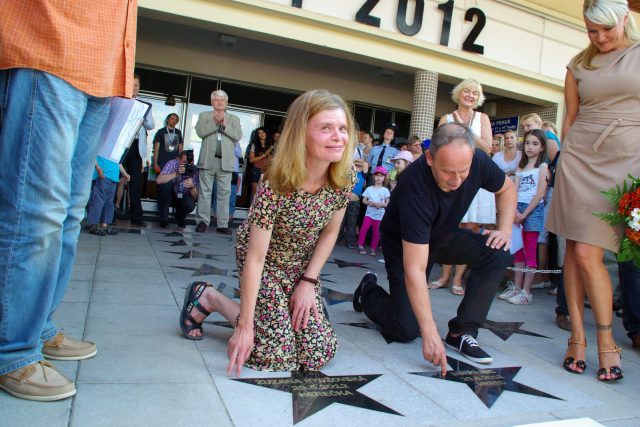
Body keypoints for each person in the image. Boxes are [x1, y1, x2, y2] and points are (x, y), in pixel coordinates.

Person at [0, 0, 137, 401]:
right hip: (52, 42)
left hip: (103, 64)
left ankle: (36, 327)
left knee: (70, 212)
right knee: (36, 210)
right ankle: (12, 348)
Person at [178, 89, 355, 375]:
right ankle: (209, 297)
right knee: (271, 354)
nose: (338, 137)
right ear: (302, 134)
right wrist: (246, 326)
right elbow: (256, 258)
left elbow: (330, 233)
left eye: (342, 128)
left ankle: (275, 315)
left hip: (302, 263)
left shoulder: (345, 177)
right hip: (266, 261)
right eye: (326, 128)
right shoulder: (276, 182)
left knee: (318, 353)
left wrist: (308, 282)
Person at [353, 123, 515, 371]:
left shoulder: (477, 161)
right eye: (449, 172)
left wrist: (503, 230)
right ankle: (367, 290)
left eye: (464, 171)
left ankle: (461, 332)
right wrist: (428, 331)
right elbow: (416, 268)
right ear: (429, 158)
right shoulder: (413, 186)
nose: (457, 180)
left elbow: (507, 189)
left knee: (497, 251)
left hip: (444, 237)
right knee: (406, 329)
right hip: (403, 246)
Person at [547, 0, 640, 382]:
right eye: (591, 30)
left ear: (624, 19)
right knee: (575, 249)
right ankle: (579, 337)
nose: (599, 37)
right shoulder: (578, 65)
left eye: (606, 29)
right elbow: (569, 119)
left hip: (627, 162)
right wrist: (564, 160)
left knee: (589, 252)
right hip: (579, 160)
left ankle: (606, 340)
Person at [430, 78, 495, 296]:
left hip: (475, 178)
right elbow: (437, 147)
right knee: (449, 226)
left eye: (474, 93)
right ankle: (444, 276)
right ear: (459, 94)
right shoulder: (446, 118)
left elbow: (487, 149)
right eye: (466, 91)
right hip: (451, 178)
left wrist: (465, 131)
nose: (470, 95)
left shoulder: (483, 118)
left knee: (471, 229)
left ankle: (458, 279)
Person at [498, 129, 548, 305]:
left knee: (530, 252)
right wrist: (514, 212)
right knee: (518, 251)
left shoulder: (542, 167)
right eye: (527, 143)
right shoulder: (520, 167)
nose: (530, 147)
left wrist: (525, 213)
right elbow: (514, 191)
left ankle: (527, 292)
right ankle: (517, 288)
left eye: (535, 144)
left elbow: (541, 192)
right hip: (517, 209)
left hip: (532, 211)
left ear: (542, 147)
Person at [194, 90, 242, 235]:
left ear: (226, 103)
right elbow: (200, 132)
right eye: (216, 100)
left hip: (225, 161)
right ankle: (202, 221)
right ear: (212, 102)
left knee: (224, 193)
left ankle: (222, 224)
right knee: (205, 192)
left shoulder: (234, 118)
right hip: (208, 160)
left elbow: (237, 136)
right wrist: (215, 123)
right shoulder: (204, 116)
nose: (219, 102)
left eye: (222, 100)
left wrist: (225, 125)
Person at [123, 74, 156, 227]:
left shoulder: (145, 104)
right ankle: (106, 214)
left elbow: (151, 125)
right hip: (121, 145)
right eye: (131, 84)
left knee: (135, 182)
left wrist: (144, 118)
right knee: (112, 179)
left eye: (136, 85)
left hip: (136, 146)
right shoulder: (120, 100)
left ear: (139, 87)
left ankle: (136, 216)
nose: (133, 87)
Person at [156, 150, 200, 231]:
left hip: (182, 197)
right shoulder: (172, 164)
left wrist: (192, 187)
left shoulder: (195, 171)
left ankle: (180, 216)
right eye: (183, 162)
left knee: (189, 204)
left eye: (188, 162)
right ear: (178, 160)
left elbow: (196, 197)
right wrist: (176, 174)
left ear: (193, 162)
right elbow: (159, 180)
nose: (186, 164)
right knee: (166, 185)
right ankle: (164, 219)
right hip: (170, 195)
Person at [86, 157, 130, 236]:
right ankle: (94, 224)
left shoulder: (116, 149)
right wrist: (97, 168)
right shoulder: (104, 145)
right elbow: (94, 155)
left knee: (109, 202)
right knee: (98, 200)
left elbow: (119, 162)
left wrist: (125, 174)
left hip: (113, 176)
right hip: (102, 174)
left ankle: (104, 224)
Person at [153, 113, 184, 228]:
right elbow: (156, 149)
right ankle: (163, 218)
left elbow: (181, 149)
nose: (174, 121)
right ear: (167, 119)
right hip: (163, 164)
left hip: (175, 165)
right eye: (172, 118)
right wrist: (155, 163)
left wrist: (181, 161)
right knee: (164, 189)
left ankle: (176, 217)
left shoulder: (178, 133)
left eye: (176, 119)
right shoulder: (161, 132)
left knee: (173, 189)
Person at [357, 166, 390, 256]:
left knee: (376, 232)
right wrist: (369, 202)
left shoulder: (385, 190)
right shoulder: (369, 189)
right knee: (364, 229)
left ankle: (373, 249)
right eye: (377, 175)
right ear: (374, 176)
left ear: (384, 178)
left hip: (379, 215)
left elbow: (388, 203)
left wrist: (381, 204)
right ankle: (360, 246)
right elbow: (364, 200)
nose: (379, 177)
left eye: (381, 176)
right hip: (369, 214)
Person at [248, 127, 274, 201]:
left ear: (266, 133)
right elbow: (251, 160)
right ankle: (252, 211)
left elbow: (271, 161)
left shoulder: (271, 145)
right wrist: (264, 155)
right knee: (255, 192)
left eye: (263, 132)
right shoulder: (255, 145)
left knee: (265, 193)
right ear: (257, 135)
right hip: (256, 170)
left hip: (267, 171)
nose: (262, 134)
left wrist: (269, 154)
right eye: (259, 133)